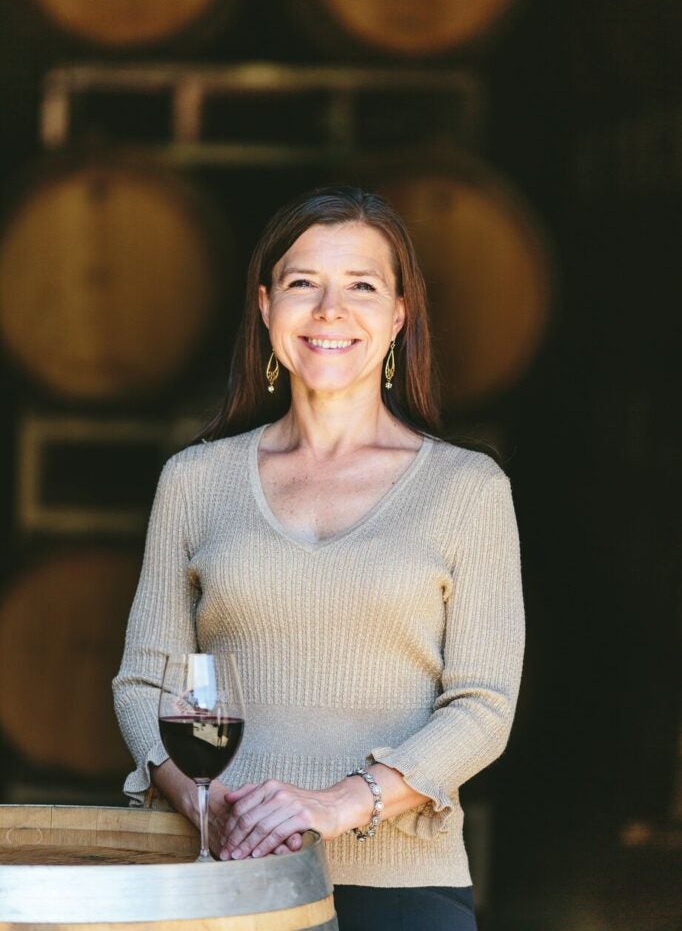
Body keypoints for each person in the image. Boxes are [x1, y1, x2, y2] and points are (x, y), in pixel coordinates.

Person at [113, 186, 525, 930]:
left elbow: (484, 707)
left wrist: (340, 803)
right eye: (304, 284)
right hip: (231, 881)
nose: (330, 310)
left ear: (399, 316)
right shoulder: (195, 480)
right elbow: (145, 682)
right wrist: (203, 806)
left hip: (405, 890)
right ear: (266, 307)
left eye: (361, 287)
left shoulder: (468, 488)